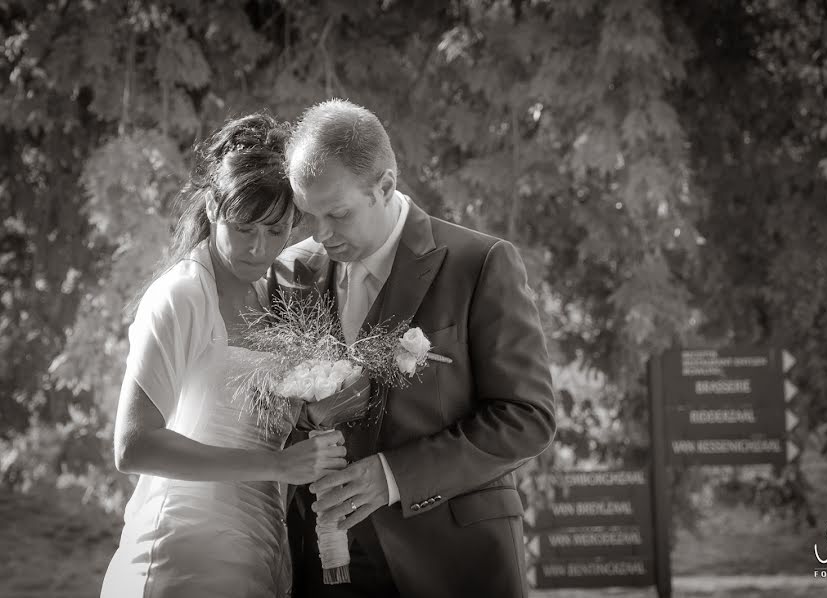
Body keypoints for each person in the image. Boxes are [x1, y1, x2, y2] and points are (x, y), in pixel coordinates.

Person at [274, 99, 556, 598]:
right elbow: (273, 413)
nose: (322, 235)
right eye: (308, 215)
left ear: (385, 185)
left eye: (337, 214)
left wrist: (393, 477)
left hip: (453, 562)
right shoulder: (293, 272)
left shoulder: (480, 264)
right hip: (323, 563)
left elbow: (526, 416)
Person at [100, 113, 347, 598]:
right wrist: (278, 467)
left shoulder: (274, 293)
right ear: (213, 206)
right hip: (181, 552)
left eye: (277, 231)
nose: (259, 247)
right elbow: (133, 446)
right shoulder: (182, 296)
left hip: (260, 549)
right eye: (244, 227)